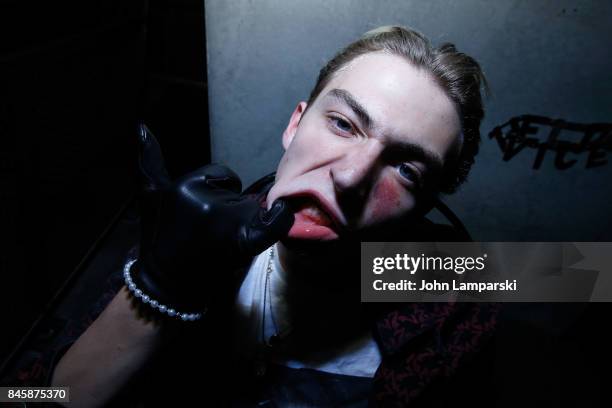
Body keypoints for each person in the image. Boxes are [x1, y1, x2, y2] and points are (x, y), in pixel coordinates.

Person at [49, 25, 497, 407]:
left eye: (406, 169)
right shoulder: (194, 240)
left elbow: (562, 269)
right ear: (295, 124)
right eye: (343, 124)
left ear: (423, 206)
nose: (350, 176)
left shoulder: (450, 301)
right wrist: (157, 288)